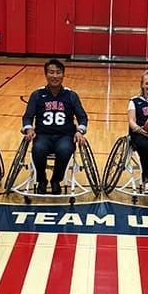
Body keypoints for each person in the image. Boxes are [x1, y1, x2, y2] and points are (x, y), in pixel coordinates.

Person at [21, 59, 88, 195]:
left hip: (64, 136)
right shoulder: (37, 95)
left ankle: (56, 180)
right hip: (43, 136)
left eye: (58, 72)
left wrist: (80, 131)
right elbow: (27, 117)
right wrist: (28, 129)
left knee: (65, 150)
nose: (55, 76)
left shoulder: (71, 95)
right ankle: (42, 180)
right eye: (51, 72)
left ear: (63, 75)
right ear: (46, 75)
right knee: (38, 150)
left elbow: (82, 117)